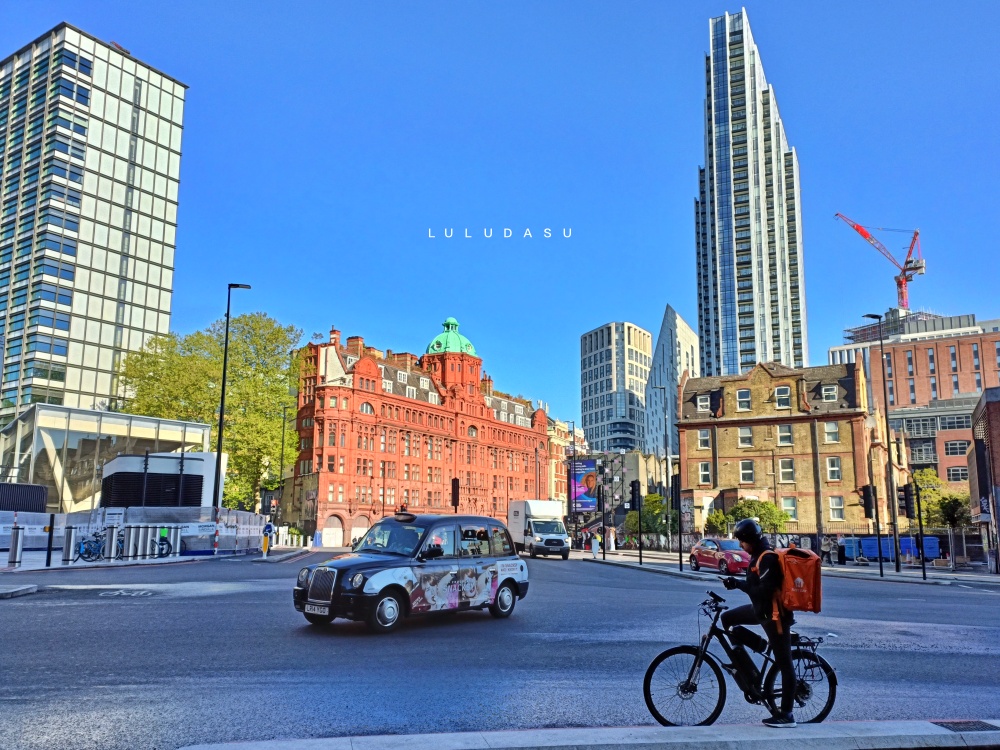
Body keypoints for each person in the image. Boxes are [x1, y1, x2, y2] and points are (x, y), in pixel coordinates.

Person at [721, 519, 797, 728]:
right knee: (727, 619)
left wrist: (738, 585)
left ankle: (787, 715)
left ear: (749, 540)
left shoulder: (767, 558)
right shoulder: (756, 555)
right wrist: (736, 583)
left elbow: (764, 591)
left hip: (775, 617)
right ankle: (744, 663)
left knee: (785, 663)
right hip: (761, 611)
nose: (739, 546)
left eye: (741, 541)